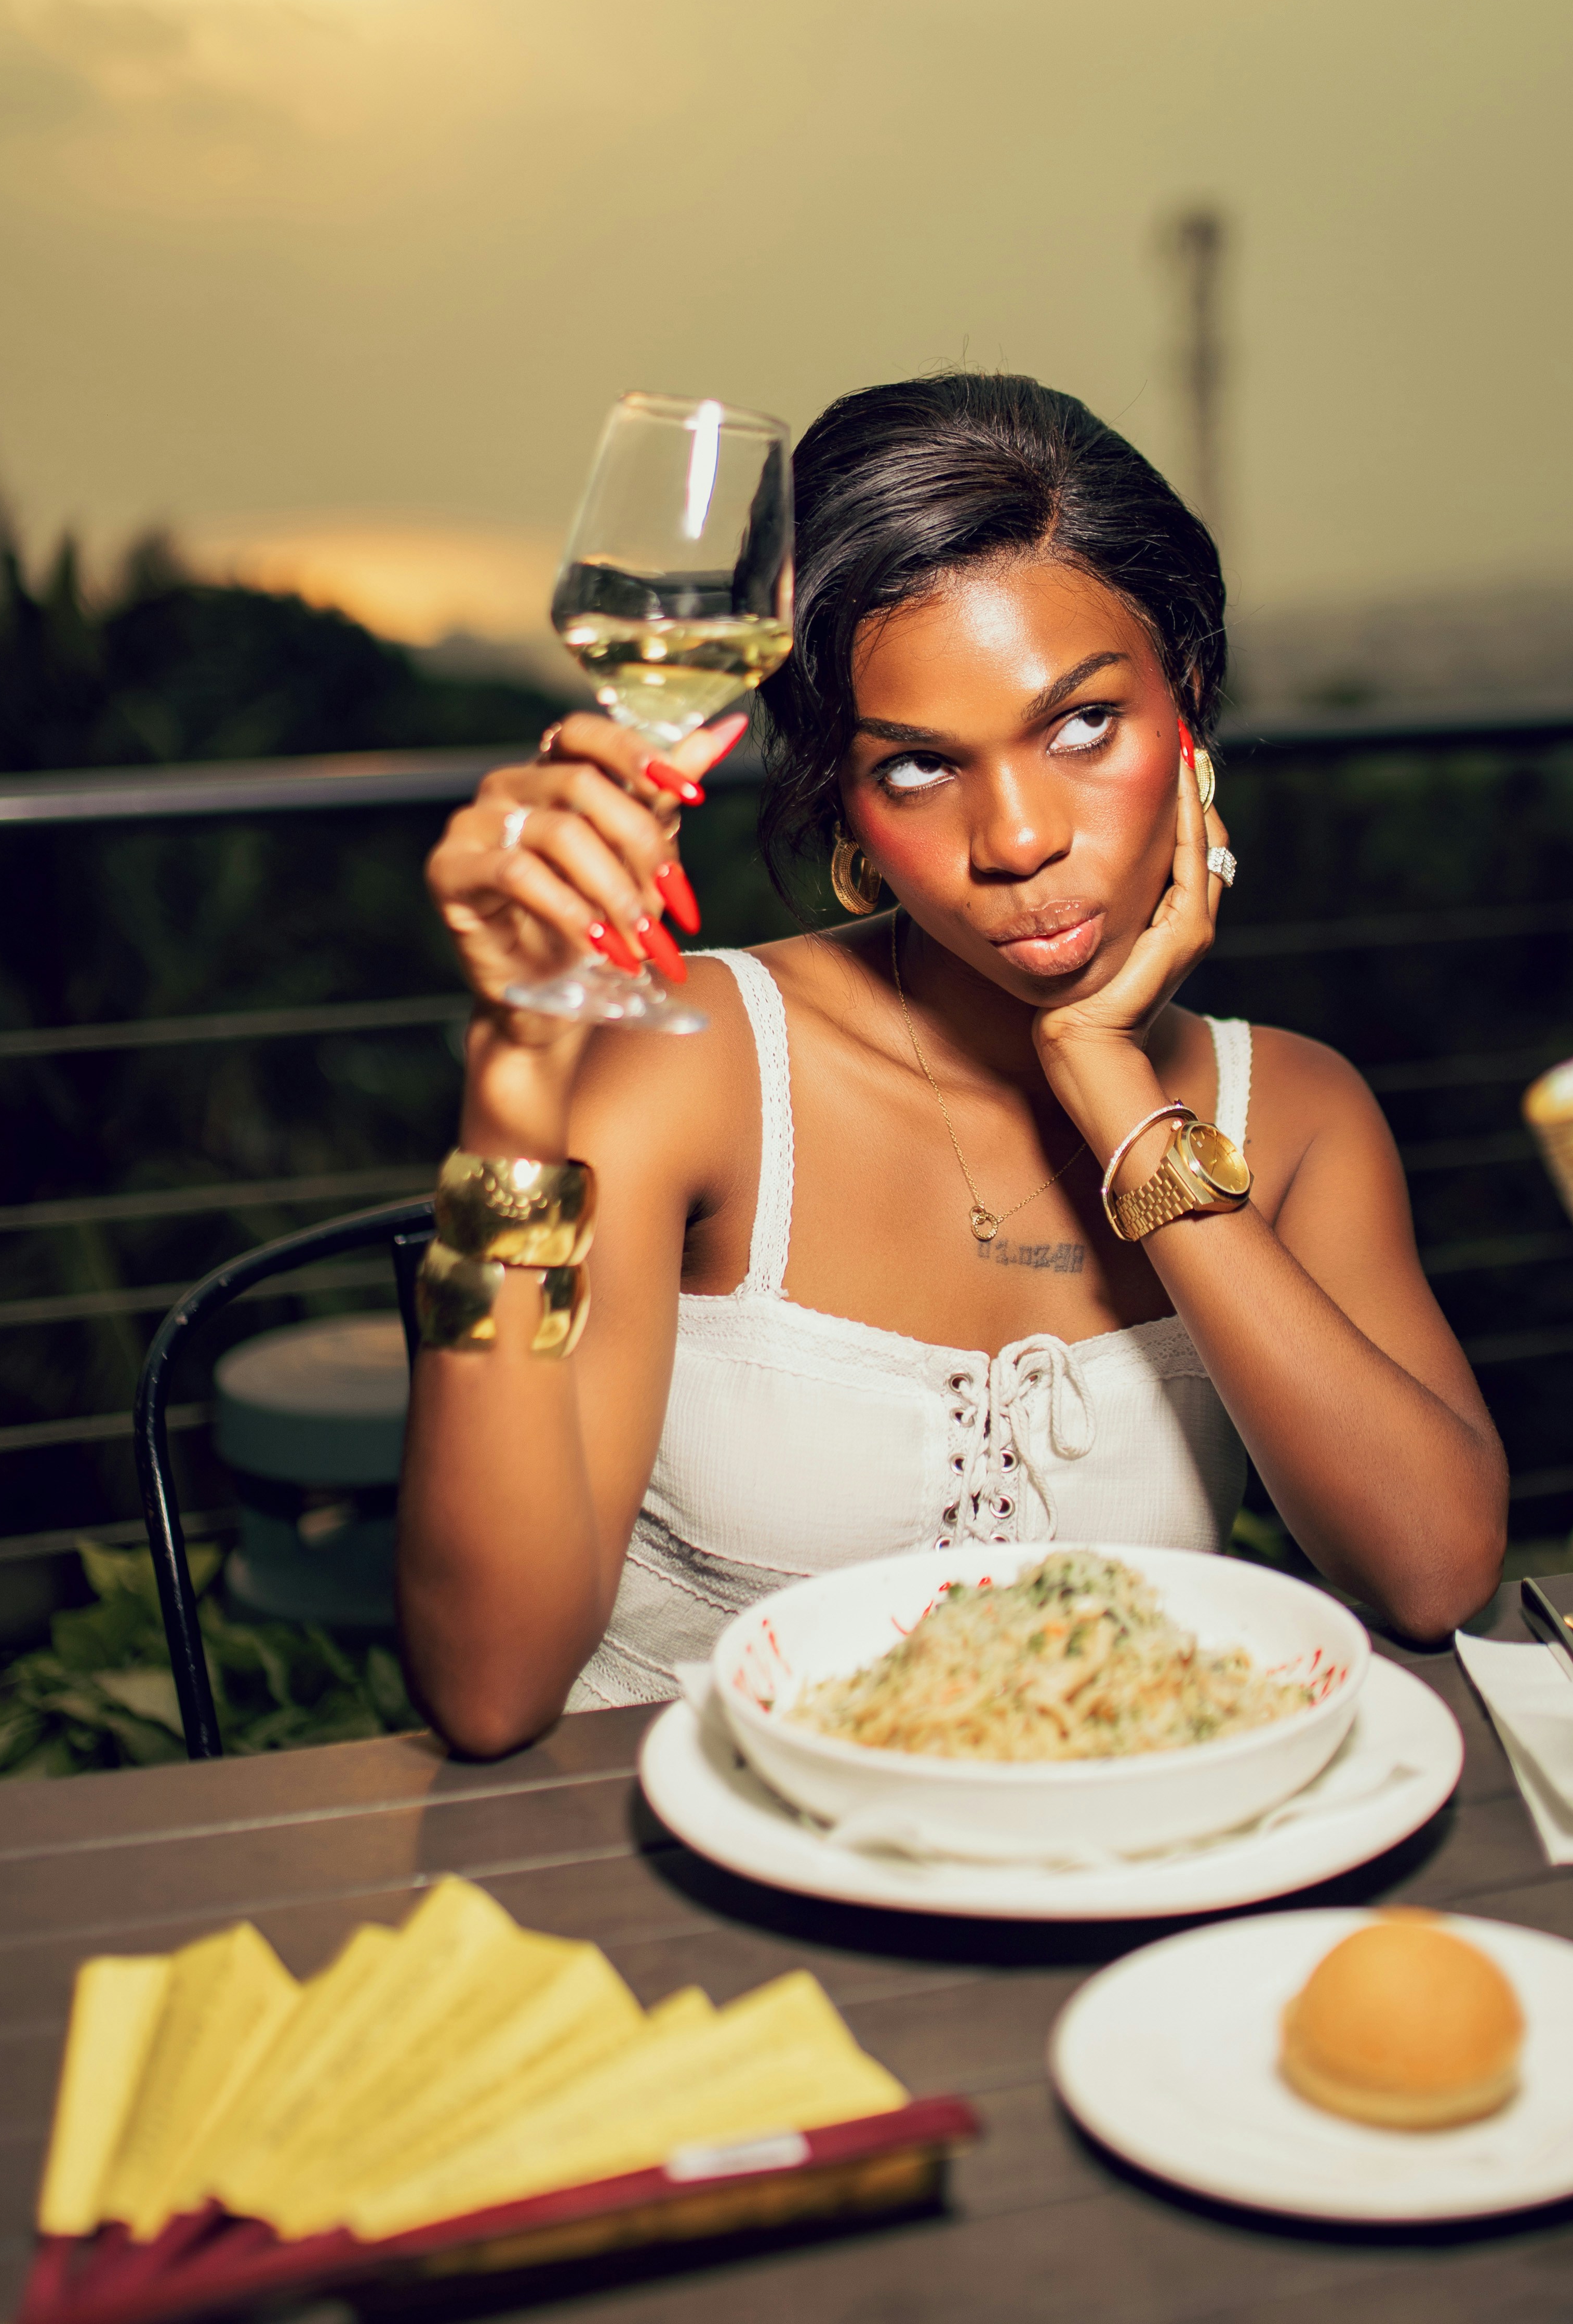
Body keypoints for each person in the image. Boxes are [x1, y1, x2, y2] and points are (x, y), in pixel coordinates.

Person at [404, 375, 1508, 1754]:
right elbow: (490, 1694)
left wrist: (1114, 1089)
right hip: (672, 1855)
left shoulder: (1293, 1113)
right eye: (920, 768)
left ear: (1189, 706)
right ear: (845, 802)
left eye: (1083, 724)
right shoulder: (694, 1070)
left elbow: (1432, 1574)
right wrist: (514, 1083)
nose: (1020, 839)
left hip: (1117, 1851)